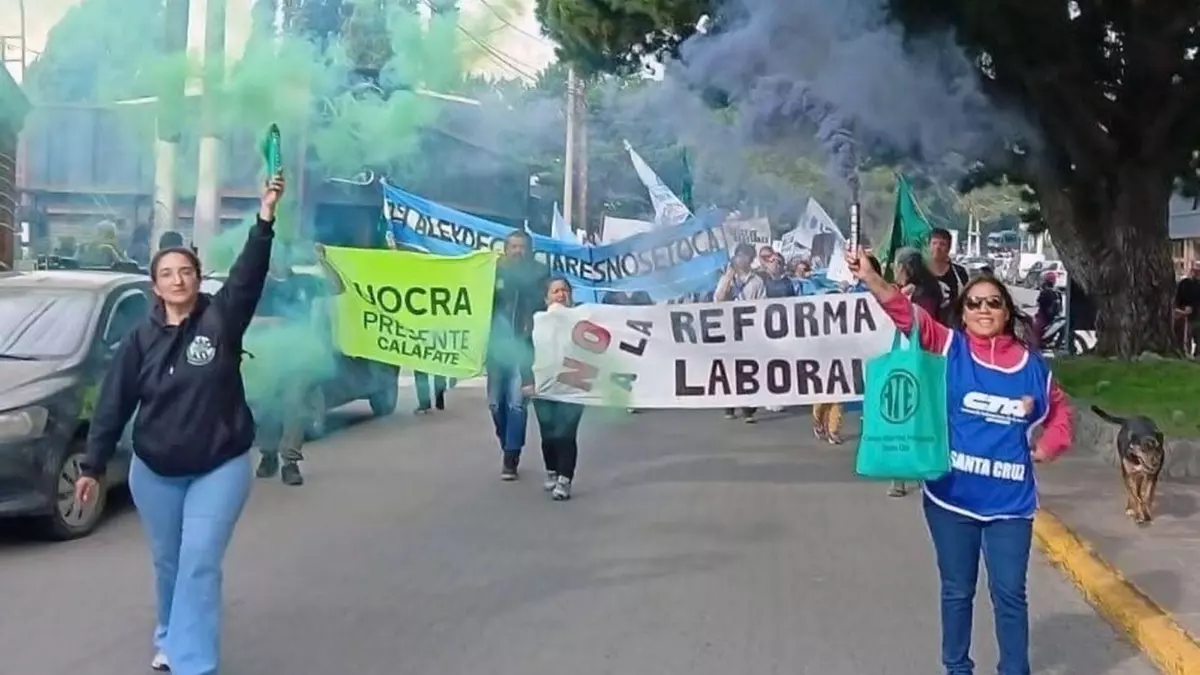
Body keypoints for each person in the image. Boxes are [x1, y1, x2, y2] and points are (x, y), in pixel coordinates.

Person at [75, 176, 284, 675]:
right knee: (170, 561)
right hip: (155, 472)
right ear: (155, 286)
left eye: (186, 271)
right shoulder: (139, 341)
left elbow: (248, 277)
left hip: (219, 465)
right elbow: (113, 404)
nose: (177, 280)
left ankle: (193, 662)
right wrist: (92, 466)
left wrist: (265, 218)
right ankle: (169, 635)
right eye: (167, 273)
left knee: (199, 560)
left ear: (197, 278)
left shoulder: (222, 321)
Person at [847, 248, 1073, 675]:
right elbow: (906, 315)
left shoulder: (1033, 368)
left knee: (1010, 594)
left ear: (1006, 311)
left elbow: (1060, 413)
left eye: (993, 302)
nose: (984, 310)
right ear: (963, 313)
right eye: (974, 303)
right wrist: (871, 278)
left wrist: (1049, 446)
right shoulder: (950, 347)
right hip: (951, 499)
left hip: (1010, 505)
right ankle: (957, 668)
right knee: (957, 591)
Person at [489, 230, 550, 480]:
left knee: (516, 403)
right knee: (495, 404)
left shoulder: (539, 274)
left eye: (522, 247)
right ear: (505, 249)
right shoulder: (491, 271)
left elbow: (551, 303)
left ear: (530, 250)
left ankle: (511, 457)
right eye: (513, 247)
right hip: (495, 349)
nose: (518, 251)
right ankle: (507, 442)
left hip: (524, 348)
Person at [886, 248, 945, 495]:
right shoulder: (908, 291)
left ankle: (916, 474)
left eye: (897, 265)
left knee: (913, 417)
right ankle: (904, 474)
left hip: (920, 362)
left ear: (906, 268)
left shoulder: (925, 294)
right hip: (904, 359)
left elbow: (923, 326)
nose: (894, 270)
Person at [522, 277, 585, 501]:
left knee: (566, 433)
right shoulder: (537, 322)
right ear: (546, 298)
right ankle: (552, 470)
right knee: (548, 432)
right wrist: (527, 382)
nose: (561, 295)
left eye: (564, 290)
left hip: (573, 385)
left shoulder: (583, 320)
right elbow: (525, 353)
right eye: (555, 291)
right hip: (544, 385)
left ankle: (564, 479)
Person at [254, 251, 311, 486]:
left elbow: (337, 287)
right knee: (266, 408)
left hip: (297, 357)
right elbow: (245, 318)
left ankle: (290, 462)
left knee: (294, 407)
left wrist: (327, 260)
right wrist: (271, 322)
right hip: (266, 357)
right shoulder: (259, 286)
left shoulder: (303, 282)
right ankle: (268, 454)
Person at [715, 243, 766, 422]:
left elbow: (763, 304)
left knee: (747, 368)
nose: (741, 259)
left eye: (745, 256)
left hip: (749, 329)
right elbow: (718, 299)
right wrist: (728, 279)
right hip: (729, 328)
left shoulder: (757, 281)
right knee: (729, 368)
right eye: (738, 255)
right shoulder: (727, 278)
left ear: (751, 259)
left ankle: (748, 409)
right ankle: (729, 406)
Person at [928, 228, 969, 324]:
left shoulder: (959, 273)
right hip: (926, 327)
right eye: (934, 243)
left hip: (953, 326)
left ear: (949, 248)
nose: (937, 247)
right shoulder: (919, 272)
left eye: (942, 244)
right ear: (928, 246)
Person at [1175, 261, 1200, 357]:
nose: (1196, 272)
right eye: (1195, 269)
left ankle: (1196, 355)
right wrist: (1181, 310)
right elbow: (1178, 298)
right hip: (1185, 315)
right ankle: (1186, 354)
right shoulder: (1184, 283)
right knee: (1186, 337)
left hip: (1197, 315)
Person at [1033, 272, 1063, 351]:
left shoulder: (1045, 292)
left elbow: (1039, 302)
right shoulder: (1057, 292)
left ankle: (1036, 345)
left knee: (1035, 329)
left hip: (1044, 317)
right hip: (1054, 317)